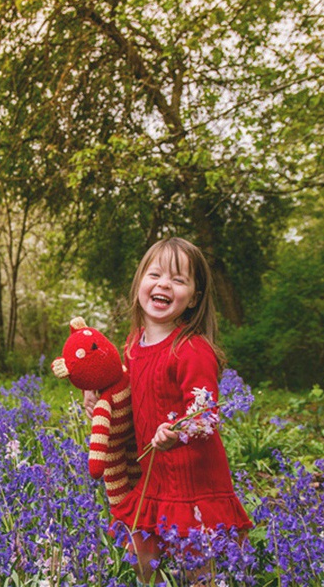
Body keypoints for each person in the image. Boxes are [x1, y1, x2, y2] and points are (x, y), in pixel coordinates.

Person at [84, 237, 251, 586]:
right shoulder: (133, 345)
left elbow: (206, 414)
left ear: (194, 298)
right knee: (142, 560)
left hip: (193, 484)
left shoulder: (191, 350)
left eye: (178, 279)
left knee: (198, 571)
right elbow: (125, 394)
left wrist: (178, 433)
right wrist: (98, 397)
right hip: (153, 479)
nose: (163, 284)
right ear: (139, 284)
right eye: (155, 274)